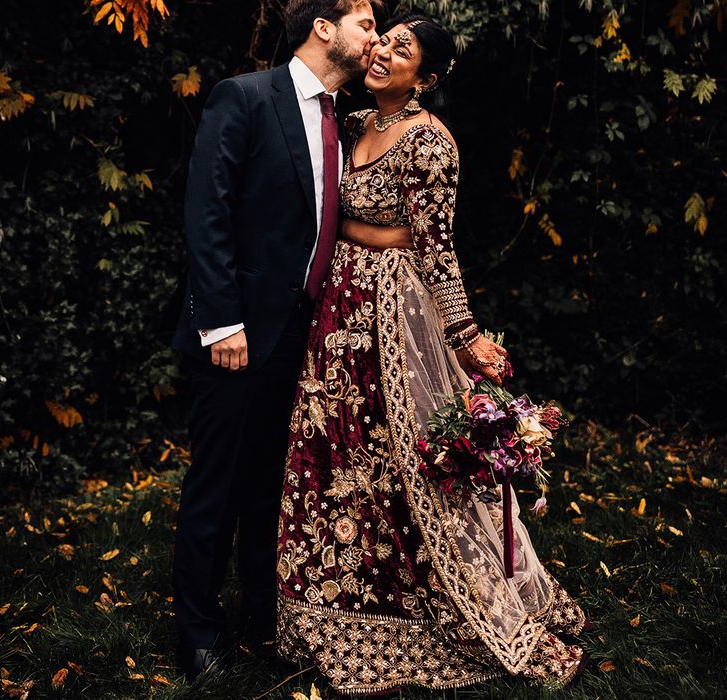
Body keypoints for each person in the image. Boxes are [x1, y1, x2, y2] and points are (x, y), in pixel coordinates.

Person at [276, 14, 590, 694]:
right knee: (335, 452)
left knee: (401, 466)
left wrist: (467, 337)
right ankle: (330, 607)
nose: (384, 50)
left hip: (391, 317)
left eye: (402, 48)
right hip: (335, 315)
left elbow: (436, 250)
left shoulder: (430, 143)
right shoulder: (353, 121)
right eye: (383, 39)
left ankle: (420, 609)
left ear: (429, 75)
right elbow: (330, 214)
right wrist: (360, 235)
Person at [170, 0, 380, 681]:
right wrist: (222, 322)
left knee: (272, 484)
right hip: (237, 335)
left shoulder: (343, 122)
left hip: (303, 339)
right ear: (324, 27)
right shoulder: (247, 97)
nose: (373, 38)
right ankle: (199, 629)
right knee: (218, 484)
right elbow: (208, 209)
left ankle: (263, 613)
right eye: (366, 23)